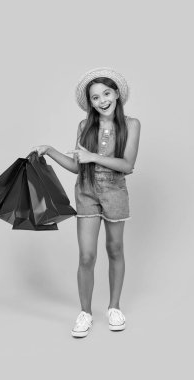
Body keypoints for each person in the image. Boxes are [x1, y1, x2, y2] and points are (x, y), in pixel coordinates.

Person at [31, 67, 141, 338]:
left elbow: (127, 165)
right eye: (95, 97)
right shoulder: (85, 126)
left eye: (106, 93)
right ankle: (85, 313)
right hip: (87, 191)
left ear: (116, 93)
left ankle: (114, 307)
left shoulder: (132, 124)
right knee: (86, 255)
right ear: (89, 103)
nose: (102, 100)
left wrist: (93, 157)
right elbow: (79, 166)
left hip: (115, 191)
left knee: (115, 249)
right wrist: (50, 150)